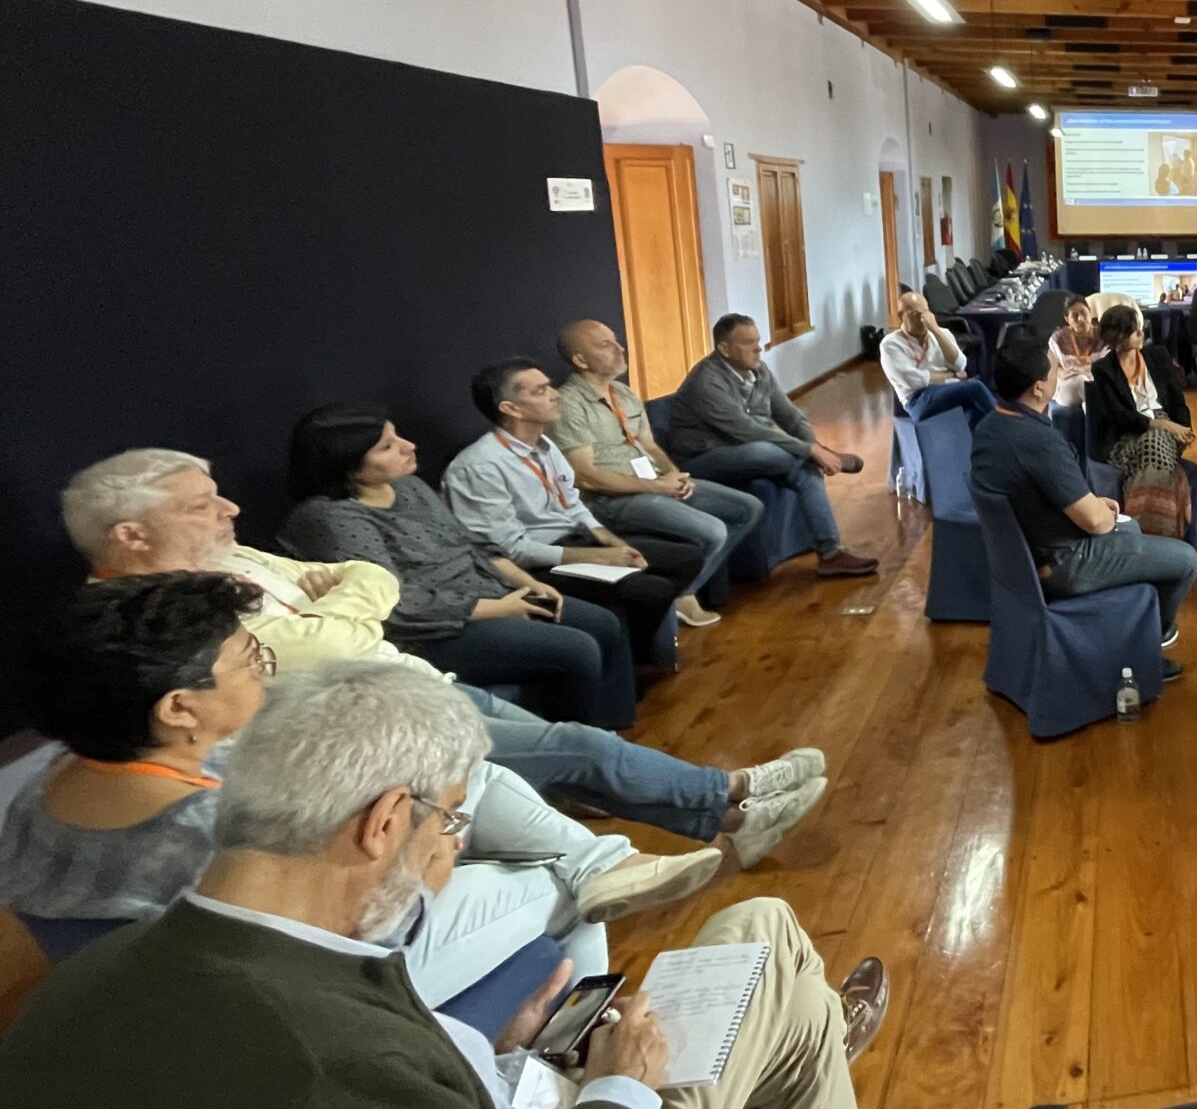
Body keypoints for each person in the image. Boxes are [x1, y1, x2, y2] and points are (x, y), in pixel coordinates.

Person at [0, 658, 893, 1109]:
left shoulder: (81, 987)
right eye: (456, 823)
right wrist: (618, 1082)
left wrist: (499, 1052)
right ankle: (801, 1044)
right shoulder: (341, 1059)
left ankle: (797, 1051)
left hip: (507, 1073)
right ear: (386, 822)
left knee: (769, 921)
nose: (452, 850)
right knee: (793, 997)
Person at [66, 447, 828, 866]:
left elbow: (368, 586)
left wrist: (349, 603)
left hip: (410, 682)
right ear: (129, 536)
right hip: (375, 729)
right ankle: (727, 806)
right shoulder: (151, 622)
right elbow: (328, 633)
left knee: (573, 747)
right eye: (201, 504)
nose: (230, 509)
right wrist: (350, 606)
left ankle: (729, 804)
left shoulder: (232, 557)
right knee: (577, 746)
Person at [0, 576, 715, 1007]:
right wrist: (435, 834)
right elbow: (379, 919)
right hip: (313, 989)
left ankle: (597, 874)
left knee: (479, 795)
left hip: (178, 992)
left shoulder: (41, 788)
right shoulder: (219, 835)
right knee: (556, 881)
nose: (264, 671)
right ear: (179, 708)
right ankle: (575, 1027)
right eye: (251, 659)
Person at [281, 407, 643, 729]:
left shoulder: (408, 486)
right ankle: (571, 771)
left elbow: (468, 542)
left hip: (489, 590)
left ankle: (609, 731)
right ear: (348, 466)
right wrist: (502, 609)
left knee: (604, 622)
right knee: (575, 648)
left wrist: (526, 582)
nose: (409, 446)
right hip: (433, 628)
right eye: (388, 446)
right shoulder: (328, 518)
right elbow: (392, 601)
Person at [447, 358, 698, 669]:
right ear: (511, 408)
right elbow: (509, 549)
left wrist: (609, 540)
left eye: (550, 386)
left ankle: (634, 649)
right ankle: (629, 660)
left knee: (686, 557)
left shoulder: (546, 445)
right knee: (650, 589)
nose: (555, 394)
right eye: (540, 391)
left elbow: (572, 502)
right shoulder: (480, 466)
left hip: (576, 540)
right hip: (538, 562)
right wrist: (597, 557)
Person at [971, 337, 1192, 673]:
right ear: (1038, 388)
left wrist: (1092, 503)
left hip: (1024, 561)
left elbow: (1035, 491)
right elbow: (1097, 524)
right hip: (1063, 564)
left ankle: (1124, 630)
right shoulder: (1039, 441)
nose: (1060, 373)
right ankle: (1144, 645)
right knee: (1185, 560)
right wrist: (1097, 511)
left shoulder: (989, 426)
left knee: (1130, 526)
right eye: (1055, 370)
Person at [556, 319, 765, 630]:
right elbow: (586, 476)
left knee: (748, 508)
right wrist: (657, 487)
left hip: (653, 484)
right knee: (713, 530)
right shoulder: (569, 404)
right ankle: (683, 594)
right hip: (609, 500)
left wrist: (673, 475)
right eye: (605, 345)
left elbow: (649, 445)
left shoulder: (623, 392)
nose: (619, 348)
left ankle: (683, 591)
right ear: (580, 360)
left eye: (616, 340)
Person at [666, 315, 878, 578]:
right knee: (765, 451)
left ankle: (831, 552)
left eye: (758, 341)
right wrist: (811, 451)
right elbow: (746, 430)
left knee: (805, 471)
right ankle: (820, 458)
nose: (758, 348)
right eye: (748, 343)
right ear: (724, 349)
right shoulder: (706, 381)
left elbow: (789, 414)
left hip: (742, 450)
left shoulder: (759, 370)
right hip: (701, 459)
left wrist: (813, 444)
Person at [1086, 304, 1195, 539]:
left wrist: (1185, 430)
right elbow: (1120, 417)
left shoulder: (1158, 356)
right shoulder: (1103, 369)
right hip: (1125, 437)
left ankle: (1141, 531)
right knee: (1154, 443)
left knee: (1156, 443)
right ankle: (1164, 533)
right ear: (1120, 338)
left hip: (1167, 430)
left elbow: (1177, 401)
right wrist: (1164, 426)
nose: (1142, 333)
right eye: (1136, 331)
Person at [882, 290, 1000, 423]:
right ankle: (1005, 424)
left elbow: (960, 364)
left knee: (975, 409)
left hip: (948, 389)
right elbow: (915, 381)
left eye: (925, 312)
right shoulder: (890, 344)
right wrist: (953, 374)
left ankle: (980, 441)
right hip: (918, 400)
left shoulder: (942, 334)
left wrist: (936, 331)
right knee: (975, 387)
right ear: (901, 316)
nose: (923, 319)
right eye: (916, 314)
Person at [1048, 296, 1104, 410]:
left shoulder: (1103, 336)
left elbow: (1106, 367)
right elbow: (1053, 370)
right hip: (1067, 385)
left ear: (1090, 312)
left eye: (1084, 313)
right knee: (1081, 381)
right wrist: (1084, 371)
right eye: (1074, 316)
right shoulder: (1057, 339)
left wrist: (1076, 369)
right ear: (1067, 319)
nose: (1080, 319)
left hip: (1098, 382)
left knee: (1088, 400)